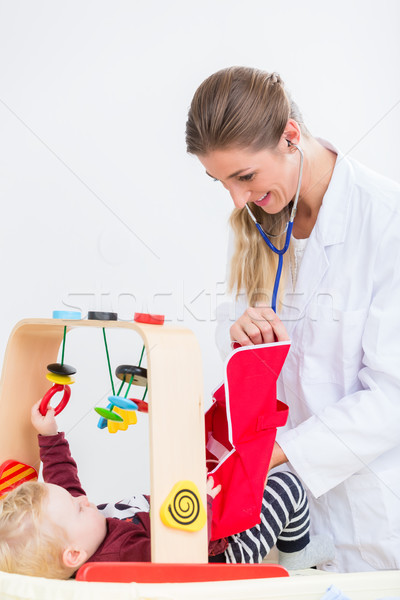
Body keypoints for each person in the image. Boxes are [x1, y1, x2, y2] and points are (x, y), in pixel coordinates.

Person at [185, 66, 400, 573]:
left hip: (371, 521)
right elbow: (232, 325)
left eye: (245, 177)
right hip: (286, 521)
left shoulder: (385, 220)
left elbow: (392, 398)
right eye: (220, 182)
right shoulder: (260, 219)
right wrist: (237, 333)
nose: (236, 200)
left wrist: (277, 451)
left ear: (290, 136)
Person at [0, 402, 333, 579]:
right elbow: (180, 557)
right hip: (222, 558)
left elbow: (63, 484)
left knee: (241, 478)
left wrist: (50, 435)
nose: (83, 499)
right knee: (286, 484)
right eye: (77, 508)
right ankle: (296, 555)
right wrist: (199, 502)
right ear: (74, 555)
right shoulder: (120, 559)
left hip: (202, 522)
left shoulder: (81, 533)